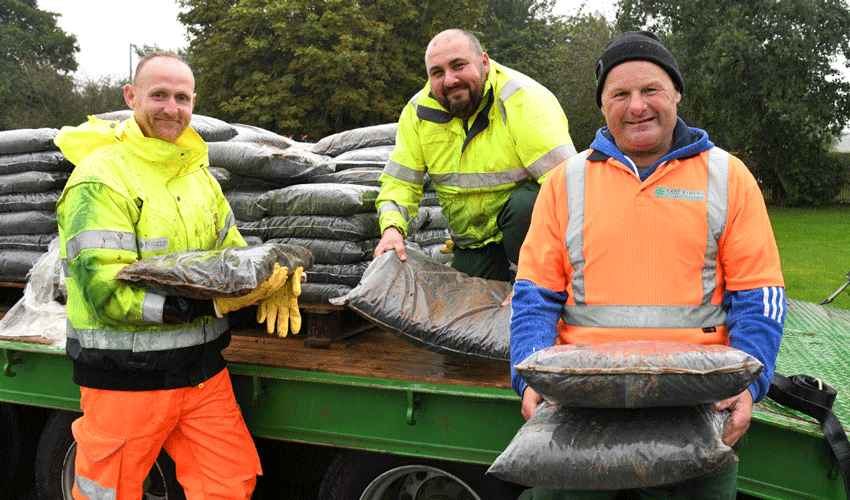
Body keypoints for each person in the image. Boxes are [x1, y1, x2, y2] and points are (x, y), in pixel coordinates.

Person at [509, 31, 785, 499]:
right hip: (578, 406)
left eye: (650, 90)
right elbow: (534, 297)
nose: (636, 106)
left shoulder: (728, 176)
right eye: (620, 94)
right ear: (603, 106)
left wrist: (749, 385)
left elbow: (760, 297)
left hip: (697, 408)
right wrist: (526, 378)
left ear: (676, 92)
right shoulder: (564, 183)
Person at [55, 52, 294, 500]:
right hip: (126, 379)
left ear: (194, 103)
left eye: (181, 98)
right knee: (108, 492)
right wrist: (208, 304)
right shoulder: (101, 178)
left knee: (229, 484)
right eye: (158, 95)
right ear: (131, 97)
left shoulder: (198, 176)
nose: (171, 108)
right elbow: (105, 291)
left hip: (202, 375)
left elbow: (233, 254)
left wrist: (272, 276)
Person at [373, 28, 577, 285]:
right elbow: (399, 183)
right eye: (437, 72)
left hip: (532, 238)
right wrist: (391, 230)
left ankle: (543, 285)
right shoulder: (418, 113)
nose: (449, 80)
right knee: (466, 312)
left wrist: (534, 281)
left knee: (525, 205)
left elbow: (567, 185)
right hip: (473, 242)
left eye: (458, 66)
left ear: (484, 62)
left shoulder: (524, 100)